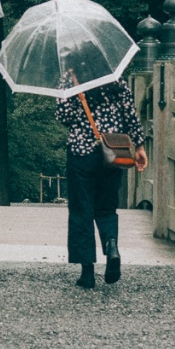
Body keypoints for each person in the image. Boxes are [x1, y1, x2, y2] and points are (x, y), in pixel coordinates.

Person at [54, 77, 147, 288]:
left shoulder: (70, 78)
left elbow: (63, 116)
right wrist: (139, 146)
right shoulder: (115, 78)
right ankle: (111, 245)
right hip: (113, 150)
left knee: (81, 210)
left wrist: (78, 100)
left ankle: (87, 273)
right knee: (106, 207)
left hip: (81, 152)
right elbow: (129, 114)